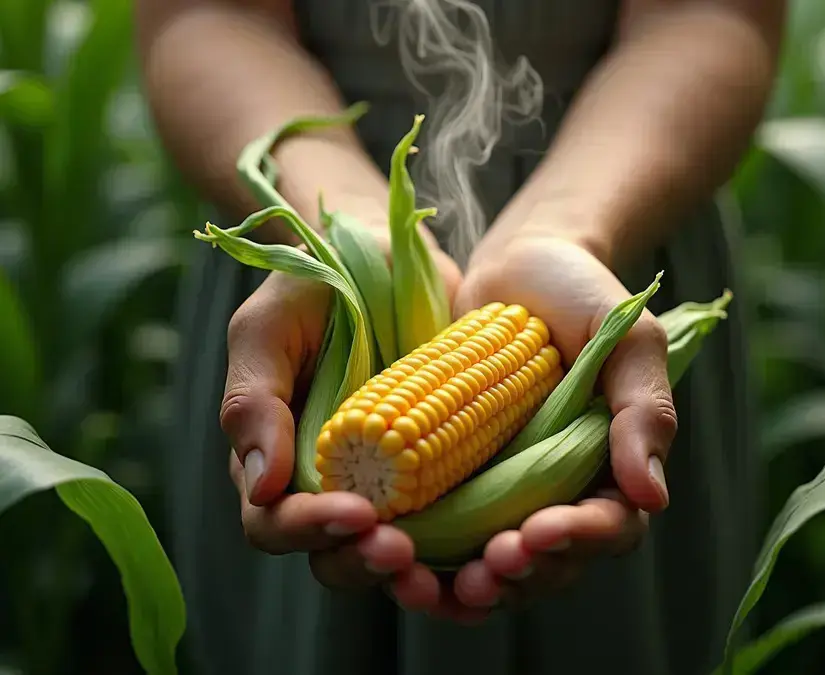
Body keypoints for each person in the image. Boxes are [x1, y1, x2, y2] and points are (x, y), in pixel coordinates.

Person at [135, 0, 785, 673]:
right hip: (306, 250)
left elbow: (713, 16)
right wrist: (350, 236)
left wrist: (565, 227)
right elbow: (204, 17)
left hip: (628, 196)